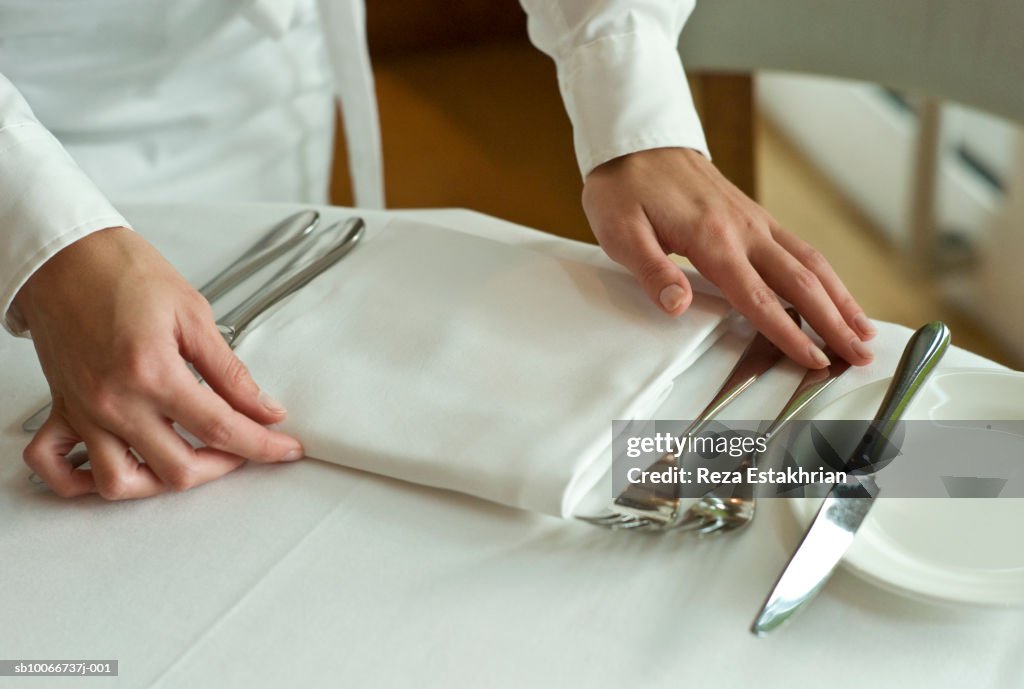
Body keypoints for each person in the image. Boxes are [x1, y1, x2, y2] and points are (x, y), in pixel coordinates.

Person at [0, 0, 874, 500]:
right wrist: (43, 237)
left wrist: (628, 87)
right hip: (35, 151)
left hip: (263, 133)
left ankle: (994, 473)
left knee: (909, 464)